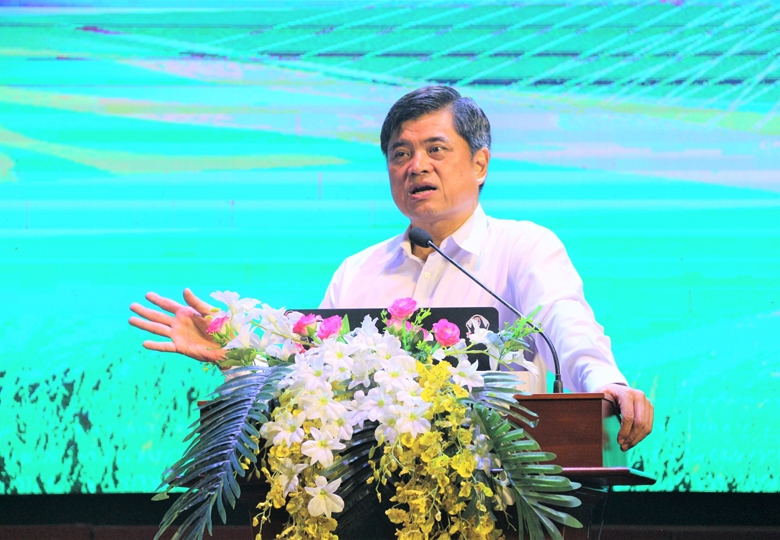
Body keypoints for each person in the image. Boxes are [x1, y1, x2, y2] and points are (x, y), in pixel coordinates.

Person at [130, 86, 653, 451]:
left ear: (480, 163)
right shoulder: (358, 272)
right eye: (400, 154)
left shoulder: (523, 247)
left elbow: (566, 323)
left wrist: (606, 383)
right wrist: (238, 355)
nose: (416, 165)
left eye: (435, 149)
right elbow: (310, 380)